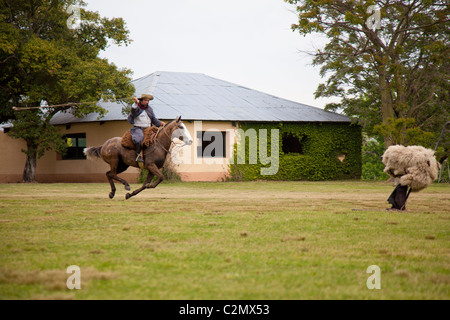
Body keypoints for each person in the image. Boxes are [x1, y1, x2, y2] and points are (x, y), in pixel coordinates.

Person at [127, 94, 165, 163]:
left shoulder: (149, 109)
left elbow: (153, 119)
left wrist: (160, 123)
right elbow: (133, 111)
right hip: (138, 128)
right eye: (145, 100)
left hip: (148, 128)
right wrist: (135, 103)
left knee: (158, 138)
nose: (147, 102)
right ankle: (138, 155)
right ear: (141, 101)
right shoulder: (136, 108)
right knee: (139, 138)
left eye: (148, 100)